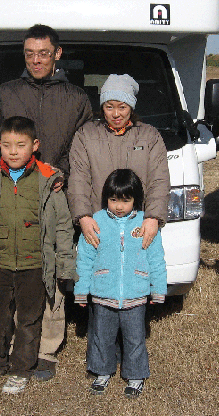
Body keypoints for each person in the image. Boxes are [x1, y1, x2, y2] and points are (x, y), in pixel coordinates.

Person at [0, 24, 92, 380]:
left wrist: (62, 172)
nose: (36, 60)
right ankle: (9, 344)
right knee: (11, 269)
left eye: (43, 53)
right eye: (30, 54)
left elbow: (83, 145)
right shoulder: (6, 92)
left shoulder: (75, 98)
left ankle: (46, 350)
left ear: (57, 54)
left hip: (53, 194)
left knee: (49, 271)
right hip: (12, 194)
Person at [0, 116, 76, 394]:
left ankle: (21, 369)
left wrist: (64, 265)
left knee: (28, 321)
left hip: (34, 266)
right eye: (6, 145)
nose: (13, 151)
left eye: (20, 145)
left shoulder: (48, 181)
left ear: (34, 145)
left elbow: (63, 226)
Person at [74, 169, 167, 398]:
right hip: (103, 293)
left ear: (136, 199)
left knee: (135, 338)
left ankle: (135, 375)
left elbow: (156, 259)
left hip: (135, 295)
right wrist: (81, 290)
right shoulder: (97, 221)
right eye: (113, 200)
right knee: (101, 337)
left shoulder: (145, 223)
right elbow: (85, 259)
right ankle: (101, 372)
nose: (118, 206)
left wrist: (158, 289)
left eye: (125, 201)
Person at [68, 73, 170, 249]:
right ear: (102, 107)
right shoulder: (85, 135)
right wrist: (83, 217)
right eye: (109, 107)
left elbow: (159, 180)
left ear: (131, 107)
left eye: (122, 107)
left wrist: (153, 217)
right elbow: (78, 179)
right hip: (98, 226)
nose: (116, 114)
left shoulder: (150, 136)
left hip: (138, 227)